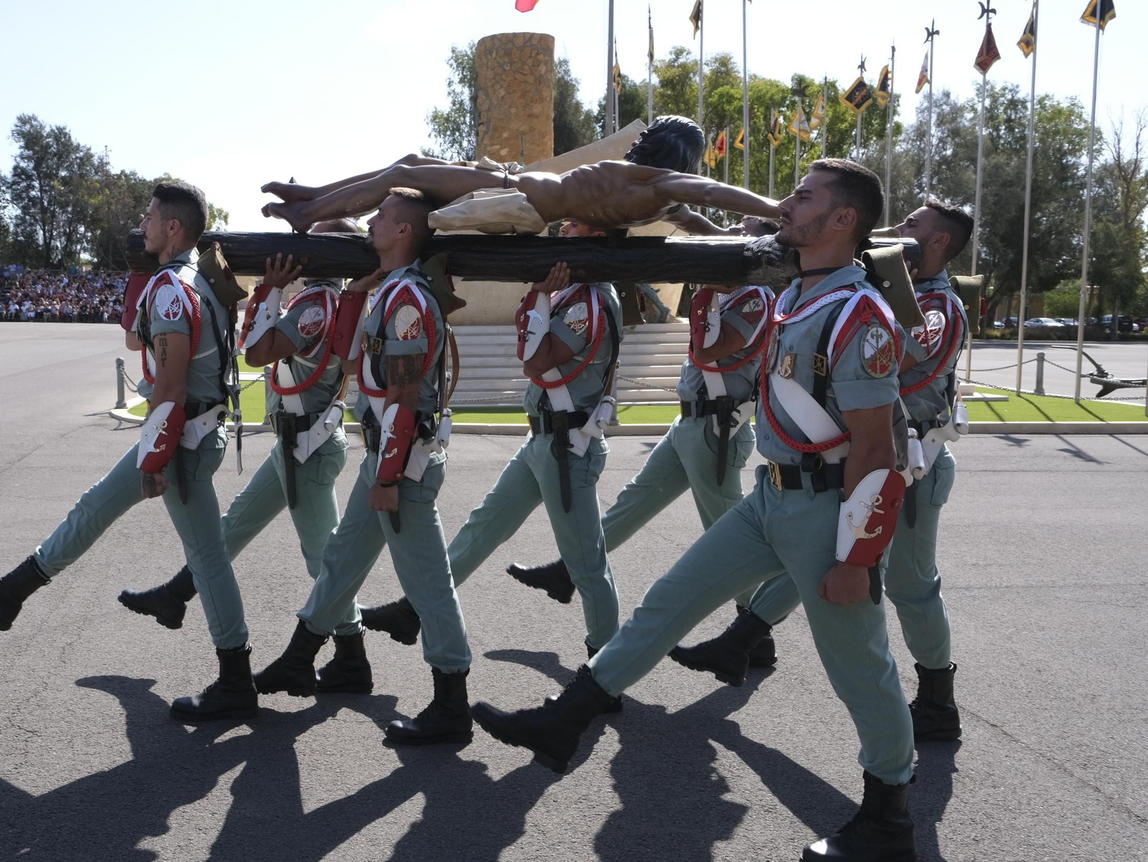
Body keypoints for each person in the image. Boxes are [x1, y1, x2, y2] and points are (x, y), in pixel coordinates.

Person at [471, 160, 920, 862]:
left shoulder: (858, 314)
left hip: (825, 507)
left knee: (860, 667)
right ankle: (568, 718)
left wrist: (856, 558)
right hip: (771, 494)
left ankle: (889, 817)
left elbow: (875, 447)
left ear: (843, 221)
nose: (786, 200)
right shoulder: (799, 295)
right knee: (666, 602)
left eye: (804, 195)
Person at [0, 181, 258, 722]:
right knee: (96, 507)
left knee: (207, 560)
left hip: (179, 439)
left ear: (173, 227)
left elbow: (171, 385)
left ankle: (237, 681)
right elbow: (144, 344)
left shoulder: (172, 289)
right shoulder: (202, 279)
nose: (144, 222)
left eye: (152, 216)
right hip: (192, 433)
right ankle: (10, 593)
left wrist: (154, 458)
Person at [672, 200, 973, 745]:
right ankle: (743, 638)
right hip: (861, 458)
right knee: (815, 555)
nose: (897, 230)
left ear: (937, 245)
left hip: (910, 465)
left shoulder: (937, 308)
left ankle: (937, 701)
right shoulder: (871, 290)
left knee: (910, 586)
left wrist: (882, 288)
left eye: (911, 227)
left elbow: (896, 359)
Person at [358, 225, 626, 691]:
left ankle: (605, 672)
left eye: (578, 223)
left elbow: (534, 360)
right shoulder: (575, 295)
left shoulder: (588, 300)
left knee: (587, 565)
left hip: (567, 448)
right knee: (483, 527)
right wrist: (542, 297)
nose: (563, 228)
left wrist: (541, 298)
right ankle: (411, 611)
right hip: (546, 442)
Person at [253, 188, 475, 746]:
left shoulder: (406, 300)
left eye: (381, 216)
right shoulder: (389, 293)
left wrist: (386, 478)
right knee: (342, 560)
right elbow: (354, 362)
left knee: (428, 585)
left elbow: (402, 395)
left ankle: (452, 703)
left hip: (401, 463)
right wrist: (354, 297)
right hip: (385, 454)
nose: (371, 222)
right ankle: (302, 657)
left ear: (404, 232)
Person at [502, 218, 777, 664]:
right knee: (634, 502)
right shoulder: (728, 293)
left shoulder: (755, 298)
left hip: (718, 429)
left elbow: (708, 350)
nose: (729, 236)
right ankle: (567, 571)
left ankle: (755, 630)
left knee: (731, 536)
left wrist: (705, 287)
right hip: (693, 423)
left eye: (741, 233)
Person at [119, 221, 369, 692]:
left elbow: (255, 352)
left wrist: (270, 290)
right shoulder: (336, 301)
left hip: (307, 450)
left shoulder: (317, 303)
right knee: (234, 525)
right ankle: (176, 595)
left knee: (323, 559)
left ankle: (352, 655)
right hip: (298, 444)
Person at [260, 116, 781, 234]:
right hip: (515, 187)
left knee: (403, 171)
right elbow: (712, 230)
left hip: (514, 193)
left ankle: (309, 213)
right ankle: (313, 196)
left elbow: (717, 191)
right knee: (415, 163)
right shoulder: (668, 202)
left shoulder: (658, 182)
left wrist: (775, 210)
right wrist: (741, 232)